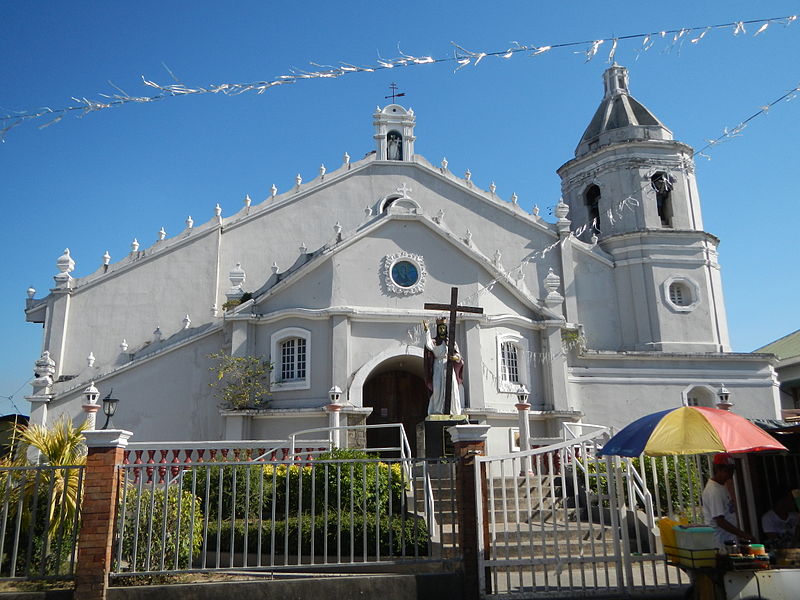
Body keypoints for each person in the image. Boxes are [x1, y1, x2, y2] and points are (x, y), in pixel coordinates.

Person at [702, 452, 755, 550]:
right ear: (718, 469)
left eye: (732, 470)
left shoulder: (721, 486)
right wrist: (744, 535)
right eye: (728, 471)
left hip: (728, 540)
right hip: (720, 543)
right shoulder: (714, 491)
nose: (731, 474)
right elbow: (720, 521)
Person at [422, 318, 463, 416]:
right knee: (437, 388)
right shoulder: (434, 341)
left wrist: (455, 357)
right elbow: (428, 345)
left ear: (446, 329)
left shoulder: (451, 342)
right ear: (437, 329)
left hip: (448, 366)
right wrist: (427, 330)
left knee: (452, 388)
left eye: (443, 328)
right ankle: (437, 410)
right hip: (438, 366)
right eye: (440, 328)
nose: (442, 330)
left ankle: (454, 411)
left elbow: (459, 356)